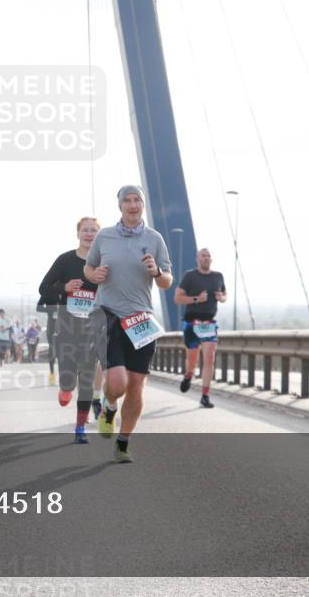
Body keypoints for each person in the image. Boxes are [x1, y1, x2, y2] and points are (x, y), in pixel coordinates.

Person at [84, 185, 172, 463]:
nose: (133, 205)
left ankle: (123, 443)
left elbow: (167, 281)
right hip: (108, 315)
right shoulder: (105, 236)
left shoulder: (155, 238)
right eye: (127, 201)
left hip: (141, 319)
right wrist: (94, 275)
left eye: (137, 200)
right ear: (120, 205)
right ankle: (110, 406)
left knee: (136, 385)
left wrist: (157, 271)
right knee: (117, 382)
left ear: (142, 205)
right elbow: (89, 267)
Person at [40, 216, 102, 443]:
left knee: (86, 378)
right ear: (78, 234)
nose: (89, 234)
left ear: (99, 235)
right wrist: (64, 287)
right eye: (85, 230)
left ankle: (80, 427)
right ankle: (65, 388)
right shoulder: (65, 260)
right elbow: (43, 288)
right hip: (67, 328)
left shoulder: (104, 263)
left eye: (93, 230)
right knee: (69, 380)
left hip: (92, 330)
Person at [174, 248, 226, 408]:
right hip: (191, 323)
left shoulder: (218, 276)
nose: (206, 258)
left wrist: (221, 298)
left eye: (208, 255)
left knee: (209, 357)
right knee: (192, 360)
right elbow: (178, 298)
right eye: (203, 255)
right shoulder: (190, 276)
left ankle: (205, 395)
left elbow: (224, 295)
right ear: (197, 259)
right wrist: (197, 299)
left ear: (211, 259)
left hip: (209, 323)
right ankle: (189, 375)